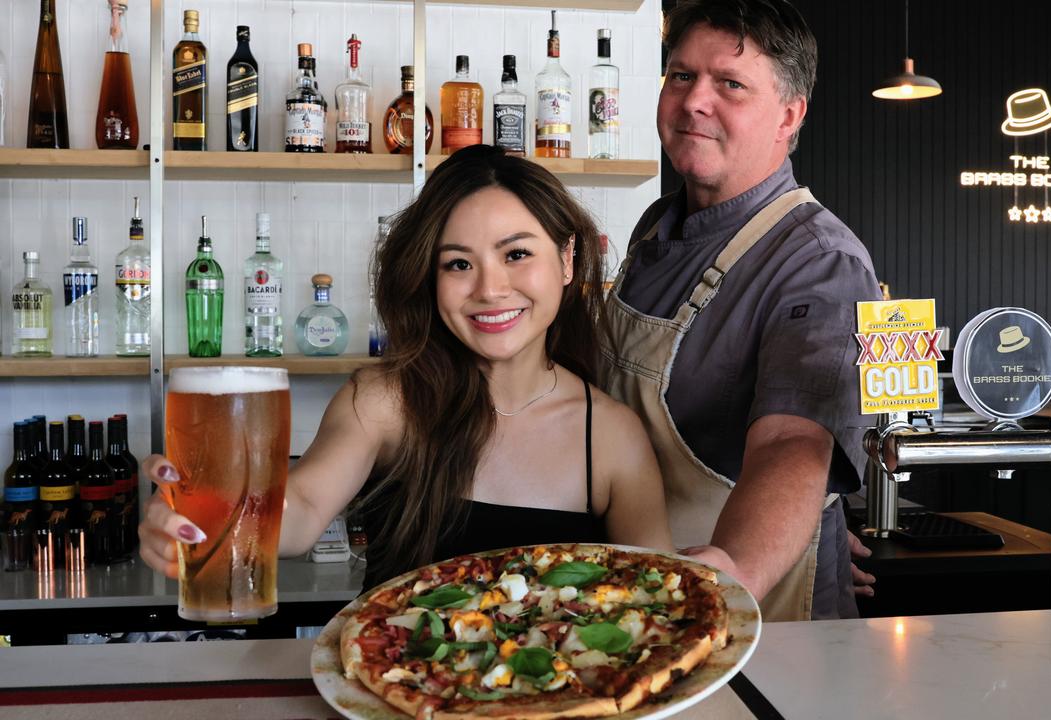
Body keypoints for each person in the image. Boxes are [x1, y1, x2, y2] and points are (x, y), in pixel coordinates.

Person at [139, 145, 672, 589]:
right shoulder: (383, 402)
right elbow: (300, 506)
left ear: (567, 260)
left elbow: (659, 598)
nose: (490, 289)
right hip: (401, 697)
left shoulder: (611, 436)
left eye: (516, 255)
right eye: (458, 263)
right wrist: (211, 514)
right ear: (428, 278)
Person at [599, 0, 879, 621]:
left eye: (730, 84)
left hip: (744, 611)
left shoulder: (820, 262)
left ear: (789, 114)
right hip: (637, 585)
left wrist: (741, 565)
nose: (695, 100)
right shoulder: (655, 226)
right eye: (681, 76)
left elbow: (793, 443)